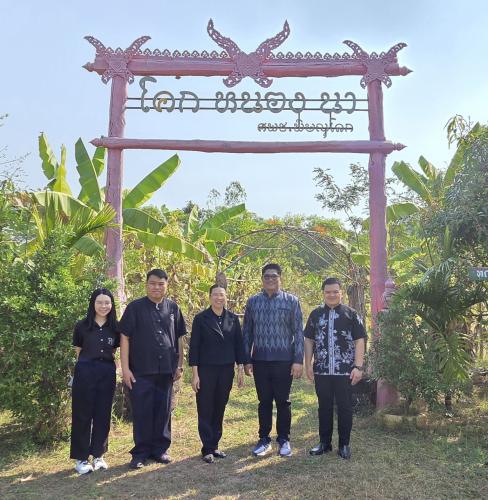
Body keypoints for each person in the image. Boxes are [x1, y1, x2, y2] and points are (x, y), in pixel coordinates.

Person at [119, 269, 186, 469]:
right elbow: (124, 337)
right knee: (142, 412)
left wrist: (179, 365)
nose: (157, 287)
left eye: (161, 284)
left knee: (163, 411)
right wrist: (125, 369)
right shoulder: (135, 308)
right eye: (153, 283)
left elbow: (179, 338)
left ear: (166, 285)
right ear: (147, 285)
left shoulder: (173, 308)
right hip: (140, 370)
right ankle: (140, 453)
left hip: (166, 370)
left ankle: (160, 450)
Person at [242, 263, 304, 457]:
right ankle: (264, 439)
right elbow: (247, 332)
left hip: (284, 360)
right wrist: (246, 359)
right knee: (264, 401)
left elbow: (298, 332)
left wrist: (298, 360)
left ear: (280, 278)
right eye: (266, 276)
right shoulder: (253, 302)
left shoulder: (291, 301)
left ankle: (284, 439)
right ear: (262, 279)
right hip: (260, 360)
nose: (270, 279)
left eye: (274, 276)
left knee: (283, 401)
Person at [304, 277, 366, 460]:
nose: (331, 295)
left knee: (345, 407)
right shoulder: (315, 315)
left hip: (345, 371)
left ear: (341, 293)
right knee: (324, 407)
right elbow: (309, 340)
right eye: (328, 292)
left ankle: (344, 444)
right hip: (322, 370)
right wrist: (308, 364)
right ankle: (325, 443)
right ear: (323, 293)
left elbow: (360, 340)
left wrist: (358, 367)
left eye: (335, 292)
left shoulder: (351, 314)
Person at [189, 284, 245, 463]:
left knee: (220, 406)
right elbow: (194, 347)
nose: (219, 298)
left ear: (226, 297)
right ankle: (206, 448)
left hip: (226, 370)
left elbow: (239, 344)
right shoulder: (201, 318)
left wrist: (240, 368)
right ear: (210, 297)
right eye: (215, 295)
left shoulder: (233, 318)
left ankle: (215, 445)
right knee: (205, 407)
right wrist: (195, 374)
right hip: (206, 370)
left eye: (222, 295)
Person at [70, 288, 119, 475]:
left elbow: (114, 351)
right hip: (85, 373)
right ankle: (81, 458)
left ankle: (98, 455)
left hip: (106, 373)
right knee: (82, 415)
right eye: (99, 302)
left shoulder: (115, 327)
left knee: (103, 414)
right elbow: (78, 351)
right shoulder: (82, 326)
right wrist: (84, 370)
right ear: (93, 304)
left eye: (107, 302)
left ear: (112, 305)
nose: (103, 306)